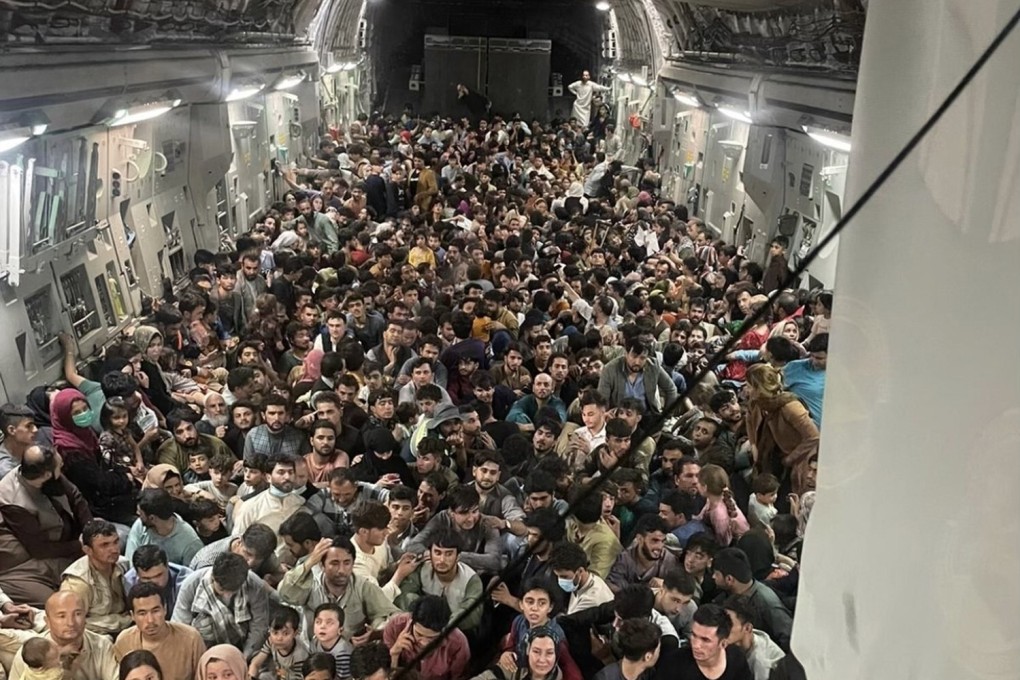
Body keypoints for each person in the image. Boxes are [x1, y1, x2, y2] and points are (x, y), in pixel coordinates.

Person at [0, 445, 90, 606]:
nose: (61, 467)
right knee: (60, 605)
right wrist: (81, 545)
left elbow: (76, 498)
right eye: (59, 466)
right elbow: (39, 549)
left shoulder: (47, 473)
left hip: (67, 541)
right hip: (28, 564)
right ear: (47, 474)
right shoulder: (13, 502)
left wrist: (90, 532)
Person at [277, 536, 399, 643]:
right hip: (315, 653)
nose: (341, 570)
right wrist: (310, 562)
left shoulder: (363, 587)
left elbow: (394, 616)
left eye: (347, 563)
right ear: (322, 565)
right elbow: (285, 593)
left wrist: (376, 632)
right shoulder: (311, 585)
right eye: (334, 563)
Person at [744, 364, 819, 503]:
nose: (746, 389)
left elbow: (813, 436)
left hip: (793, 459)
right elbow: (749, 420)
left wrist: (790, 459)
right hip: (769, 456)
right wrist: (753, 444)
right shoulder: (755, 403)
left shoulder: (790, 407)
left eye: (749, 385)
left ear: (759, 388)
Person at [172, 552, 271, 657]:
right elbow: (180, 628)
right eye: (221, 589)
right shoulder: (191, 585)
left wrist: (243, 657)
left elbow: (258, 628)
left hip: (242, 647)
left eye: (233, 591)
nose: (227, 595)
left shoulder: (255, 586)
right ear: (214, 577)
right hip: (202, 648)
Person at [9, 591, 119, 680]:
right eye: (61, 616)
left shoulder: (102, 645)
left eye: (78, 614)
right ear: (47, 621)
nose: (71, 623)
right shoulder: (30, 654)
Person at [395, 530, 483, 633]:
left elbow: (472, 615)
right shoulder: (421, 570)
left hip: (457, 631)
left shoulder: (471, 579)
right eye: (437, 553)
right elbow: (404, 595)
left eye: (449, 554)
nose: (442, 560)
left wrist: (443, 627)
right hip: (422, 626)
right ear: (430, 554)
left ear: (458, 557)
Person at [114, 582, 206, 680]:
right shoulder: (124, 641)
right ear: (132, 615)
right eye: (142, 613)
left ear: (165, 609)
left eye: (155, 611)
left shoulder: (191, 638)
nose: (150, 620)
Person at [710, 548, 792, 652]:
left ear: (729, 579)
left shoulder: (767, 602)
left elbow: (787, 637)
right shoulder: (727, 594)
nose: (713, 577)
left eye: (716, 574)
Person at [60, 519, 132, 635]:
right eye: (104, 545)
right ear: (88, 550)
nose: (114, 550)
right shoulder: (77, 583)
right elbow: (71, 623)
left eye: (115, 542)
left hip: (126, 629)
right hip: (93, 636)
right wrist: (123, 620)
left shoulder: (124, 565)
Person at [382, 595, 470, 680]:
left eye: (432, 638)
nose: (424, 643)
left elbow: (458, 677)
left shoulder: (458, 643)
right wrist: (394, 654)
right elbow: (385, 674)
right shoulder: (395, 627)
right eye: (419, 635)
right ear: (412, 622)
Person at [232, 452, 305, 539]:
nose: (287, 477)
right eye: (281, 472)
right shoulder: (250, 508)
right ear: (268, 478)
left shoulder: (300, 503)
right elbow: (237, 540)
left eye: (290, 472)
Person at [126, 489, 204, 566]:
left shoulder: (190, 542)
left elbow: (191, 574)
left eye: (140, 513)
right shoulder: (140, 525)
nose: (137, 513)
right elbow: (131, 561)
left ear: (152, 518)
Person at [673, 604, 752, 680]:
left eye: (705, 640)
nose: (696, 645)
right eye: (694, 635)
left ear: (723, 643)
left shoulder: (737, 659)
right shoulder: (675, 663)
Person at [606, 514, 681, 592]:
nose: (660, 546)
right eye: (655, 541)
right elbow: (611, 584)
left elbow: (679, 588)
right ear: (639, 539)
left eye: (663, 541)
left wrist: (665, 584)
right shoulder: (624, 559)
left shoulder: (669, 561)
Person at [722, 597, 785, 680]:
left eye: (729, 624)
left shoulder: (761, 664)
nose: (722, 628)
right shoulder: (741, 639)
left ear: (747, 628)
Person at [123, 545, 192, 616]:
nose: (154, 582)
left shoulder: (187, 581)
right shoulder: (129, 581)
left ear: (167, 566)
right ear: (137, 574)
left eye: (158, 575)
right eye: (146, 578)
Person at [548, 542, 614, 615]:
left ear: (580, 571)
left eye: (564, 577)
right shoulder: (580, 583)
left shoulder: (591, 600)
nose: (560, 580)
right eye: (557, 576)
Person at [248, 606, 311, 680]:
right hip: (278, 675)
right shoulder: (271, 641)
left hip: (293, 677)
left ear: (295, 633)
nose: (279, 638)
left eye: (285, 633)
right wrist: (251, 675)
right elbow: (256, 662)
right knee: (263, 676)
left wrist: (286, 675)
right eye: (275, 633)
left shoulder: (300, 654)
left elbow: (300, 677)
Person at [592, 617, 662, 680]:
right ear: (648, 656)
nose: (659, 652)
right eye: (658, 649)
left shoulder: (650, 673)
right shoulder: (604, 678)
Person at [309, 603, 353, 680]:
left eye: (329, 623)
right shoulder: (315, 642)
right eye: (318, 622)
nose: (322, 626)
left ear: (340, 630)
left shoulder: (343, 652)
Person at [0, 405, 38, 479]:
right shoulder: (6, 469)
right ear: (11, 430)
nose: (35, 429)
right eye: (28, 426)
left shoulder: (28, 447)